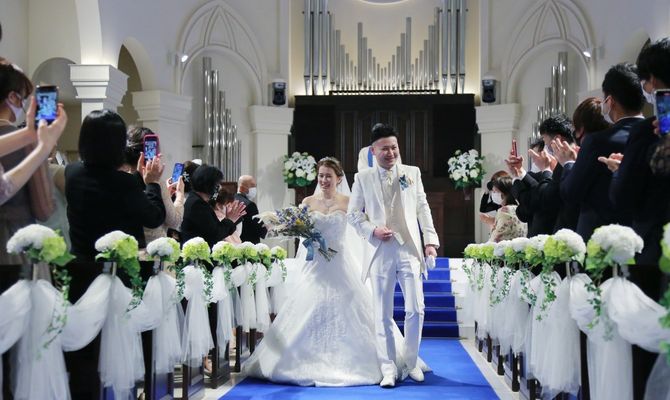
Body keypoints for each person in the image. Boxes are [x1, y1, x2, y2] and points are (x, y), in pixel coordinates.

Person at [243, 157, 428, 387]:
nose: (323, 180)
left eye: (328, 176)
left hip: (340, 261)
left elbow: (360, 228)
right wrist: (303, 235)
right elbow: (300, 229)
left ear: (338, 179)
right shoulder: (308, 201)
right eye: (320, 176)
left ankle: (387, 361)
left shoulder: (348, 201)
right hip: (316, 265)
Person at [348, 123, 439, 388]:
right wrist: (372, 230)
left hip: (409, 248)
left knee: (416, 308)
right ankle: (387, 368)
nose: (391, 153)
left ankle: (410, 363)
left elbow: (422, 207)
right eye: (385, 149)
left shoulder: (412, 173)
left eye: (394, 147)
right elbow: (353, 215)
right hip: (380, 250)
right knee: (382, 312)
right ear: (373, 151)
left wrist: (430, 241)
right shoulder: (363, 178)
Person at [557, 63, 645, 240]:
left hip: (600, 238)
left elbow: (571, 193)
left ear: (610, 101)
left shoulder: (597, 141)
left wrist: (568, 163)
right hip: (644, 235)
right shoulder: (656, 135)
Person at [65, 109, 166, 259]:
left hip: (81, 260)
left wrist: (138, 177)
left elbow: (107, 193)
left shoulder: (71, 172)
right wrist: (152, 183)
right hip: (114, 263)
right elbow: (154, 217)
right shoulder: (125, 182)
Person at [606, 38, 670, 266]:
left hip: (656, 244)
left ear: (652, 79)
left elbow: (623, 195)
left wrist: (619, 172)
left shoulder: (646, 131)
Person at [0, 63, 66, 263]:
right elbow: (43, 208)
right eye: (23, 97)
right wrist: (39, 146)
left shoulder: (26, 139)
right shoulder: (30, 145)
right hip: (13, 240)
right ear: (13, 97)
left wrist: (30, 135)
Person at [123, 126, 185, 244]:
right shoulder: (155, 182)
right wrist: (180, 195)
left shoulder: (120, 179)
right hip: (154, 247)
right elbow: (173, 221)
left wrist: (164, 193)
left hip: (127, 246)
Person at [180, 165, 246, 247]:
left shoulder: (197, 200)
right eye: (217, 184)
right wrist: (230, 220)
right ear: (210, 184)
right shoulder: (198, 204)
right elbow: (215, 234)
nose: (219, 187)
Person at [487, 172, 527, 242]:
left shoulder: (504, 211)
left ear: (503, 193)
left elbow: (494, 239)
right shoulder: (520, 208)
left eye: (494, 191)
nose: (493, 194)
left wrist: (490, 224)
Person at [235, 175, 267, 244]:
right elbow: (259, 229)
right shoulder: (250, 205)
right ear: (241, 188)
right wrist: (266, 228)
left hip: (233, 242)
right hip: (249, 244)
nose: (254, 189)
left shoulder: (230, 200)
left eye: (255, 186)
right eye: (252, 186)